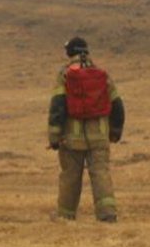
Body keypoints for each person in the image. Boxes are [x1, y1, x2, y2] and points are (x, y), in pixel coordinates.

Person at [48, 36, 125, 222]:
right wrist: (114, 132)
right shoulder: (102, 74)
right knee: (101, 173)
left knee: (70, 177)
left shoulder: (65, 74)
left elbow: (57, 106)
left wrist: (54, 137)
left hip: (71, 138)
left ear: (69, 53)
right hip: (99, 136)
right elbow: (118, 106)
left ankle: (66, 216)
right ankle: (107, 214)